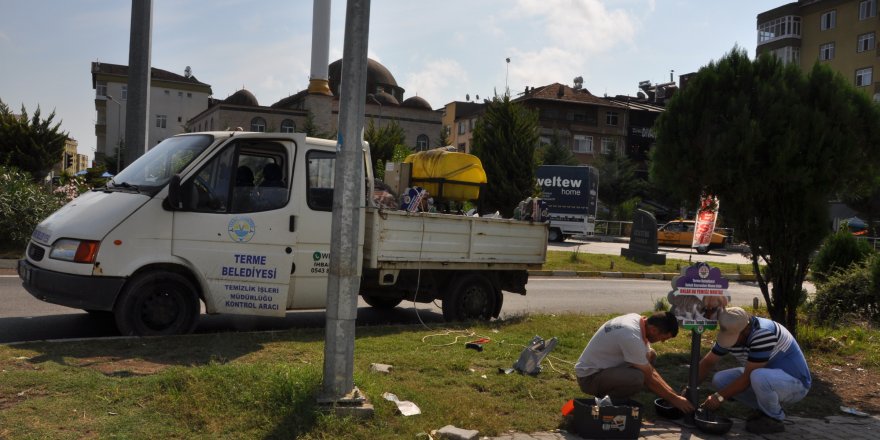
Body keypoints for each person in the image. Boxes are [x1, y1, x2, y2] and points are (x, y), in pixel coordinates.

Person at [697, 307, 811, 434]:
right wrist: (689, 389)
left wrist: (718, 398)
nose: (731, 342)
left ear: (746, 330)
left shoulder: (763, 334)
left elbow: (747, 378)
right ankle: (765, 409)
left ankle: (774, 418)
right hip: (766, 377)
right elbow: (708, 362)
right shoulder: (730, 329)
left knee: (758, 376)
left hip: (796, 384)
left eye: (734, 337)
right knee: (720, 380)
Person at [574, 311, 695, 413]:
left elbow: (649, 369)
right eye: (663, 338)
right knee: (637, 378)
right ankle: (610, 402)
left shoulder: (637, 320)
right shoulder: (631, 335)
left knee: (650, 355)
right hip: (589, 378)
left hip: (603, 368)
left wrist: (673, 395)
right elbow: (649, 376)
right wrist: (675, 399)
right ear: (653, 329)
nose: (662, 342)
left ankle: (623, 388)